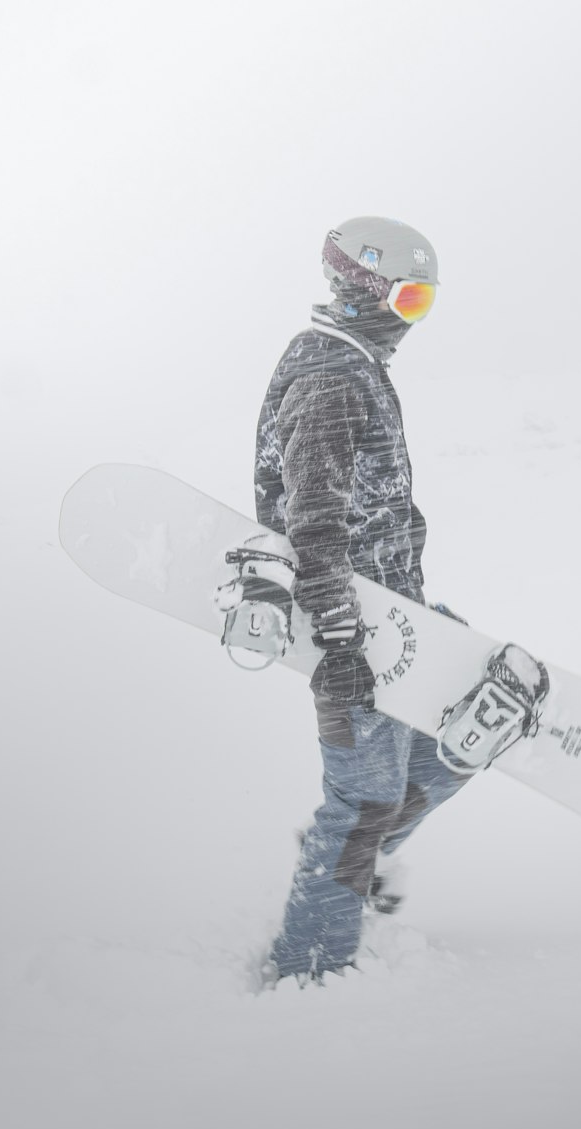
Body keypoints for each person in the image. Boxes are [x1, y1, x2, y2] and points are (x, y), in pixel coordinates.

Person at [254, 216, 471, 984]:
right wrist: (340, 640)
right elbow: (311, 514)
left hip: (393, 614)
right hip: (353, 626)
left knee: (466, 733)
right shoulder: (331, 380)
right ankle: (308, 968)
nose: (410, 321)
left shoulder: (354, 368)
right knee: (361, 798)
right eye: (406, 299)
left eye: (425, 305)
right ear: (359, 290)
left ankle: (355, 856)